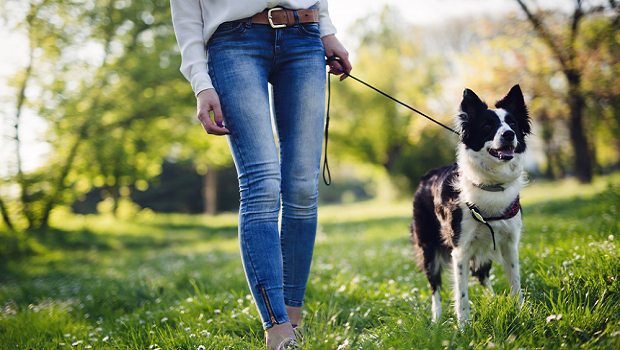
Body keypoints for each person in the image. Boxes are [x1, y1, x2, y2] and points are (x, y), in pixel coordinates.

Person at [170, 1, 352, 349]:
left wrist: (326, 31)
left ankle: (293, 324)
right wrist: (199, 80)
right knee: (263, 184)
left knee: (301, 187)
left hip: (304, 35)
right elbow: (185, 10)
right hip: (232, 42)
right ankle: (277, 332)